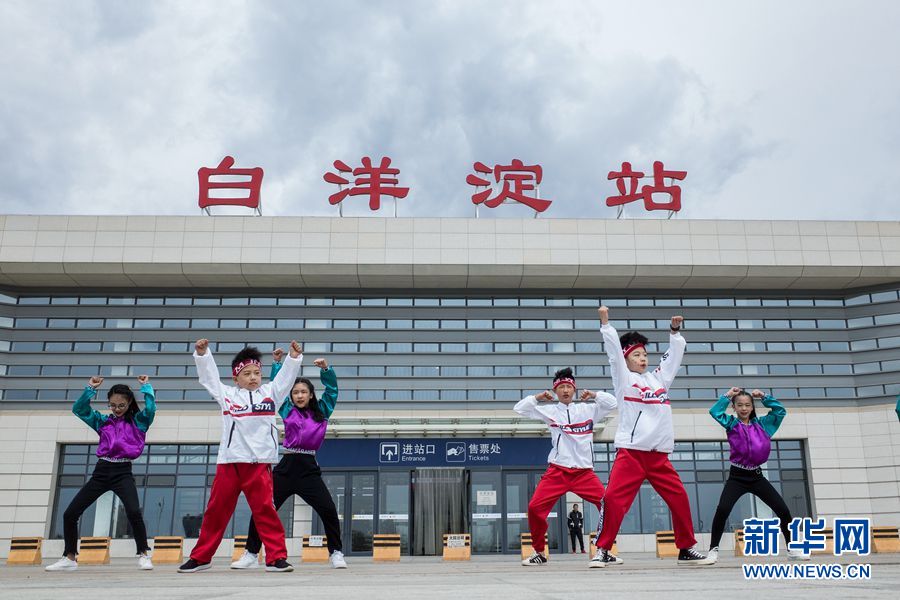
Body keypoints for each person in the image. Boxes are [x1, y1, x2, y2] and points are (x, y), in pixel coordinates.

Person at [591, 306, 710, 567]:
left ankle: (686, 548)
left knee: (679, 498)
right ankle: (602, 550)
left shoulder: (659, 380)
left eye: (645, 354)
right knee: (613, 500)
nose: (643, 358)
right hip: (631, 454)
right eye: (636, 355)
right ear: (626, 359)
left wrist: (674, 332)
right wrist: (606, 325)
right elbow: (613, 354)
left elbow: (673, 359)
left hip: (658, 456)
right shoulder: (623, 380)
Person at [178, 340, 302, 573]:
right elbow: (209, 378)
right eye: (247, 374)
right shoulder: (226, 395)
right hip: (230, 463)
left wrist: (293, 359)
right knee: (216, 511)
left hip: (259, 464)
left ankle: (276, 558)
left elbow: (285, 379)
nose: (253, 377)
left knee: (265, 511)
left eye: (257, 373)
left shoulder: (271, 393)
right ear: (236, 378)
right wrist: (202, 355)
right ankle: (201, 557)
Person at [232, 352, 347, 570]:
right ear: (291, 396)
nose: (299, 395)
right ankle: (251, 553)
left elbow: (332, 391)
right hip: (286, 466)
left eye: (304, 392)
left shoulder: (323, 411)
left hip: (309, 469)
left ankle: (336, 553)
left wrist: (326, 370)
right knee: (263, 509)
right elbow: (278, 386)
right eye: (295, 392)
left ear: (311, 395)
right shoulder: (287, 410)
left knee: (329, 510)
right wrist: (277, 364)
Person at [45, 376, 156, 572]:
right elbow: (79, 409)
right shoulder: (103, 421)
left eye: (121, 405)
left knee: (133, 512)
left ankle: (144, 555)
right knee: (70, 514)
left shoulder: (139, 422)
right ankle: (69, 558)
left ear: (129, 402)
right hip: (101, 471)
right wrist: (90, 388)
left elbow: (151, 409)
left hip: (123, 472)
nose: (117, 409)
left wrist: (146, 387)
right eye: (112, 405)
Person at [515, 367, 616, 566]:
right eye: (561, 387)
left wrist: (594, 395)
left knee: (608, 504)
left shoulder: (589, 410)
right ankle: (539, 552)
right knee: (534, 508)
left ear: (574, 389)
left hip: (584, 473)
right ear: (555, 391)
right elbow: (520, 409)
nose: (565, 390)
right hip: (558, 471)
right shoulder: (550, 411)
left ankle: (604, 549)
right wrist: (538, 397)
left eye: (569, 387)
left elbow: (612, 403)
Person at [706, 387, 809, 563]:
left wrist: (764, 397)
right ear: (734, 407)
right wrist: (727, 396)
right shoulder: (731, 424)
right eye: (740, 405)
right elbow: (714, 411)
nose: (744, 408)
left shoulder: (763, 425)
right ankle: (713, 550)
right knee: (722, 509)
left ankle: (792, 548)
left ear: (752, 407)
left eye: (747, 405)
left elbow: (780, 411)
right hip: (737, 476)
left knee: (783, 510)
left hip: (757, 476)